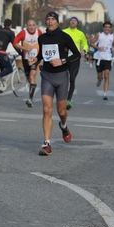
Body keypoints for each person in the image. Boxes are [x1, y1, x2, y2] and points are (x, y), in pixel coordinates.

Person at [28, 12, 81, 156]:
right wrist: (36, 60)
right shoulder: (42, 38)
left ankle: (63, 126)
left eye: (53, 19)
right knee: (46, 110)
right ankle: (47, 143)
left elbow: (77, 54)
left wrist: (62, 61)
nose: (50, 22)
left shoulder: (64, 37)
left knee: (61, 111)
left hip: (62, 76)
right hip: (47, 76)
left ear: (57, 22)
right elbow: (42, 55)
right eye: (48, 19)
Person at [13, 19, 43, 107]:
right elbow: (15, 43)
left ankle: (30, 99)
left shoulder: (39, 32)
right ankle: (33, 87)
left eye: (33, 25)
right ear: (27, 26)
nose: (31, 27)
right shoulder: (23, 33)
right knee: (29, 79)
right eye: (29, 25)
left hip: (35, 59)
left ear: (36, 26)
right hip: (25, 59)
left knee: (31, 76)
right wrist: (24, 48)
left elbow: (43, 43)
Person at [62, 16, 89, 110]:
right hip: (64, 59)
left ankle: (69, 100)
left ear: (77, 23)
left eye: (75, 21)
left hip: (75, 59)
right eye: (71, 20)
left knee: (72, 79)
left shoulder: (81, 34)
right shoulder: (64, 32)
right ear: (69, 22)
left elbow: (85, 44)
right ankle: (62, 98)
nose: (73, 22)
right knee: (63, 79)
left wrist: (84, 51)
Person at [90, 21, 114, 100]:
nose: (107, 29)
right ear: (103, 28)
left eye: (108, 27)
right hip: (99, 58)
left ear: (110, 28)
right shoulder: (99, 35)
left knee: (106, 75)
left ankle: (105, 94)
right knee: (100, 76)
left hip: (108, 58)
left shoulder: (112, 36)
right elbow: (91, 43)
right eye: (106, 27)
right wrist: (98, 48)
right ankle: (99, 79)